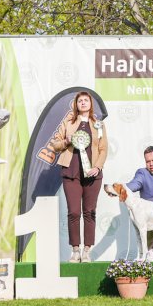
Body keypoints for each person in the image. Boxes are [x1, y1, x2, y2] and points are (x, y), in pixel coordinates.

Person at [51, 91, 107, 262]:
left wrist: (97, 167)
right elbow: (55, 145)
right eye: (80, 100)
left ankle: (87, 251)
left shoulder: (99, 124)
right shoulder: (68, 123)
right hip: (71, 172)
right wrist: (66, 141)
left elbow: (103, 148)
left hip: (92, 175)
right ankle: (75, 250)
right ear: (76, 104)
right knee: (74, 212)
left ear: (91, 104)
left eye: (86, 100)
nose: (83, 103)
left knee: (90, 212)